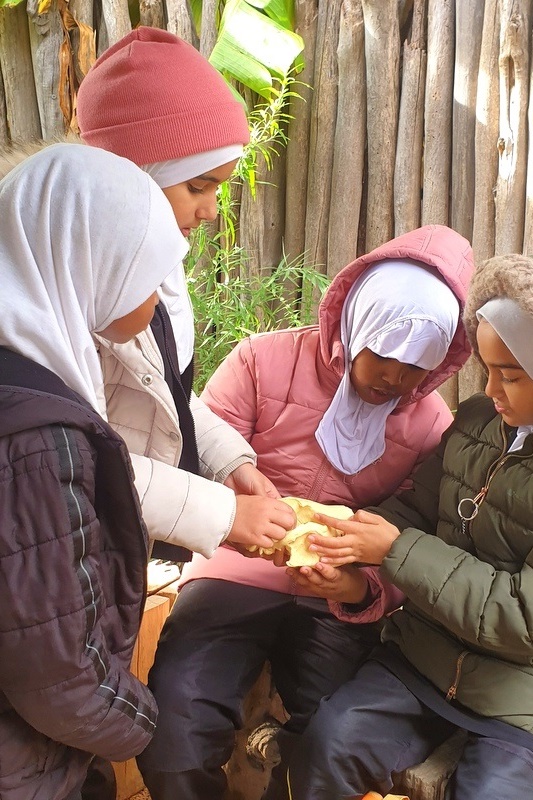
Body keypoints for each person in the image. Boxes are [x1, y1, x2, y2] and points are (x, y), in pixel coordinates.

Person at [135, 224, 475, 800]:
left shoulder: (430, 426)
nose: (396, 378)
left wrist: (358, 588)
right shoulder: (264, 363)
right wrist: (236, 515)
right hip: (231, 572)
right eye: (384, 355)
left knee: (326, 733)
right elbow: (190, 455)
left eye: (417, 368)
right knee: (176, 721)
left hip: (336, 605)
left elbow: (415, 542)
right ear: (358, 324)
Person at [286, 252, 533, 799]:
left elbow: (521, 616)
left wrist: (395, 549)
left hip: (521, 698)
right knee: (327, 746)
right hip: (422, 659)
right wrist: (348, 548)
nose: (491, 391)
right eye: (486, 371)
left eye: (511, 376)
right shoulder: (475, 423)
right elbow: (417, 510)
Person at [0, 142, 187, 799]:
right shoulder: (40, 439)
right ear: (89, 263)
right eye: (149, 278)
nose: (159, 304)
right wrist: (146, 727)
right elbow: (57, 675)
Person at [75, 26, 296, 564]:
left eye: (218, 187)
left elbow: (160, 394)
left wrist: (229, 464)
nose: (211, 210)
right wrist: (222, 513)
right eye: (197, 187)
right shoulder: (78, 294)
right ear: (135, 178)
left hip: (119, 541)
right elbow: (80, 455)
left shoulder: (159, 273)